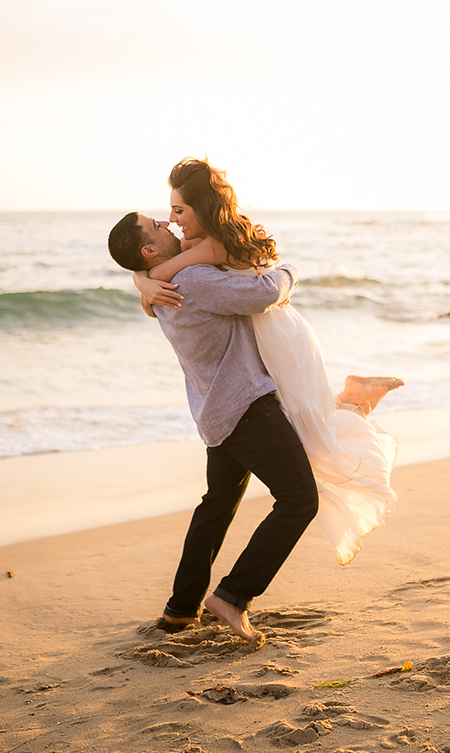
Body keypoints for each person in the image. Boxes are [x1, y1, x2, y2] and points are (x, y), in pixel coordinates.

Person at [106, 159, 399, 642]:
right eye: (159, 224)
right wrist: (290, 270)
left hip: (215, 411)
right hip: (245, 408)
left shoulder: (164, 280)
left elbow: (203, 258)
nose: (168, 221)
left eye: (173, 212)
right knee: (298, 500)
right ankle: (232, 595)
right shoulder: (191, 280)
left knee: (216, 505)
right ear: (148, 248)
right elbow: (265, 293)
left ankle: (180, 609)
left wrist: (143, 278)